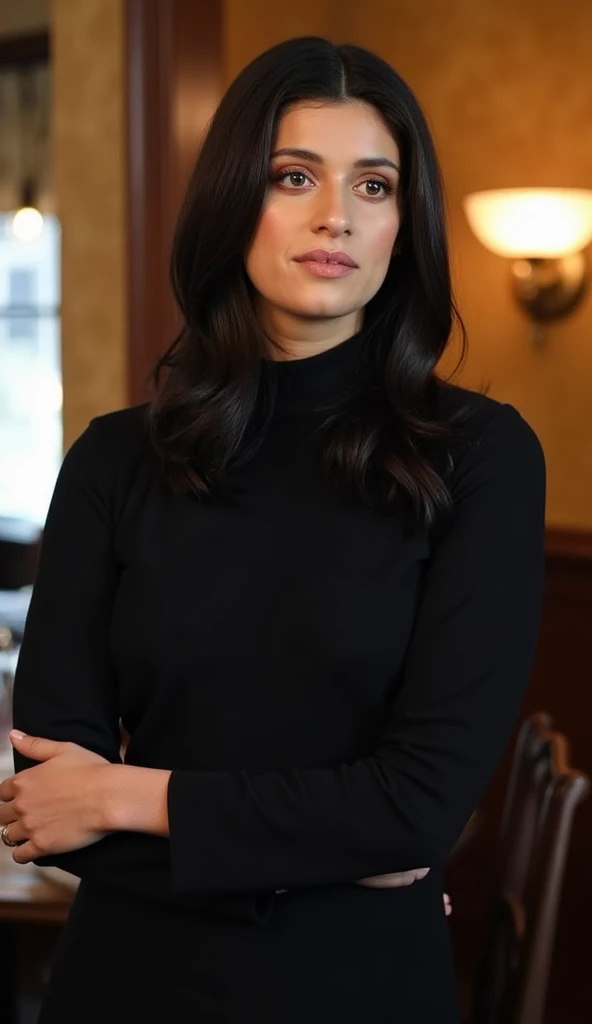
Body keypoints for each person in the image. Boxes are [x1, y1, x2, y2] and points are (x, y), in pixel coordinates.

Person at [0, 35, 545, 1024]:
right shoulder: (115, 458)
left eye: (373, 185)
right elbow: (48, 809)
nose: (335, 214)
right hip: (128, 987)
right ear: (232, 197)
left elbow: (416, 807)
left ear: (402, 223)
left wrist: (130, 795)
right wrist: (342, 851)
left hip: (360, 989)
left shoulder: (480, 456)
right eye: (294, 175)